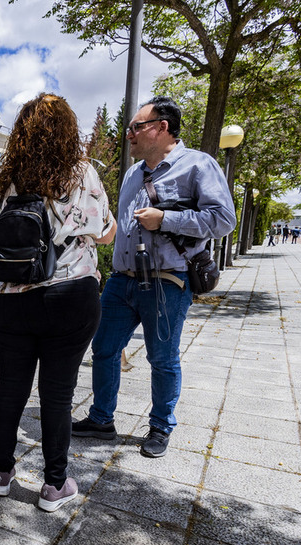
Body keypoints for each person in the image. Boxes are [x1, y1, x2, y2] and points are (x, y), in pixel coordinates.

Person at [72, 96, 235, 458]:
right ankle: (102, 419)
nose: (128, 134)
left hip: (167, 281)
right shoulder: (133, 173)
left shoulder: (198, 165)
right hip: (121, 279)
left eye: (136, 127)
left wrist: (167, 220)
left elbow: (223, 220)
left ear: (162, 128)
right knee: (104, 349)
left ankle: (161, 425)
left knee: (162, 358)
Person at [0, 93, 116, 512]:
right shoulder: (82, 174)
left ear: (21, 133)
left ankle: (2, 474)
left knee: (9, 391)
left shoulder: (6, 181)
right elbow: (107, 232)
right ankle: (54, 486)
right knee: (57, 395)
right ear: (66, 131)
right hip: (68, 294)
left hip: (7, 298)